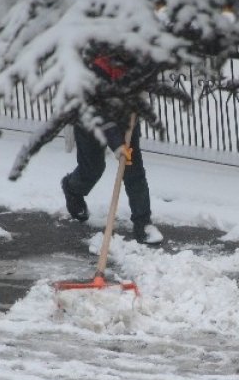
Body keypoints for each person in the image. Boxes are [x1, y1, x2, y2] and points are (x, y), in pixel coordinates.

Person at [61, 54, 164, 245]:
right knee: (92, 170)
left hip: (126, 116)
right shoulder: (97, 71)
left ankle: (143, 223)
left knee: (134, 170)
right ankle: (72, 188)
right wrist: (117, 145)